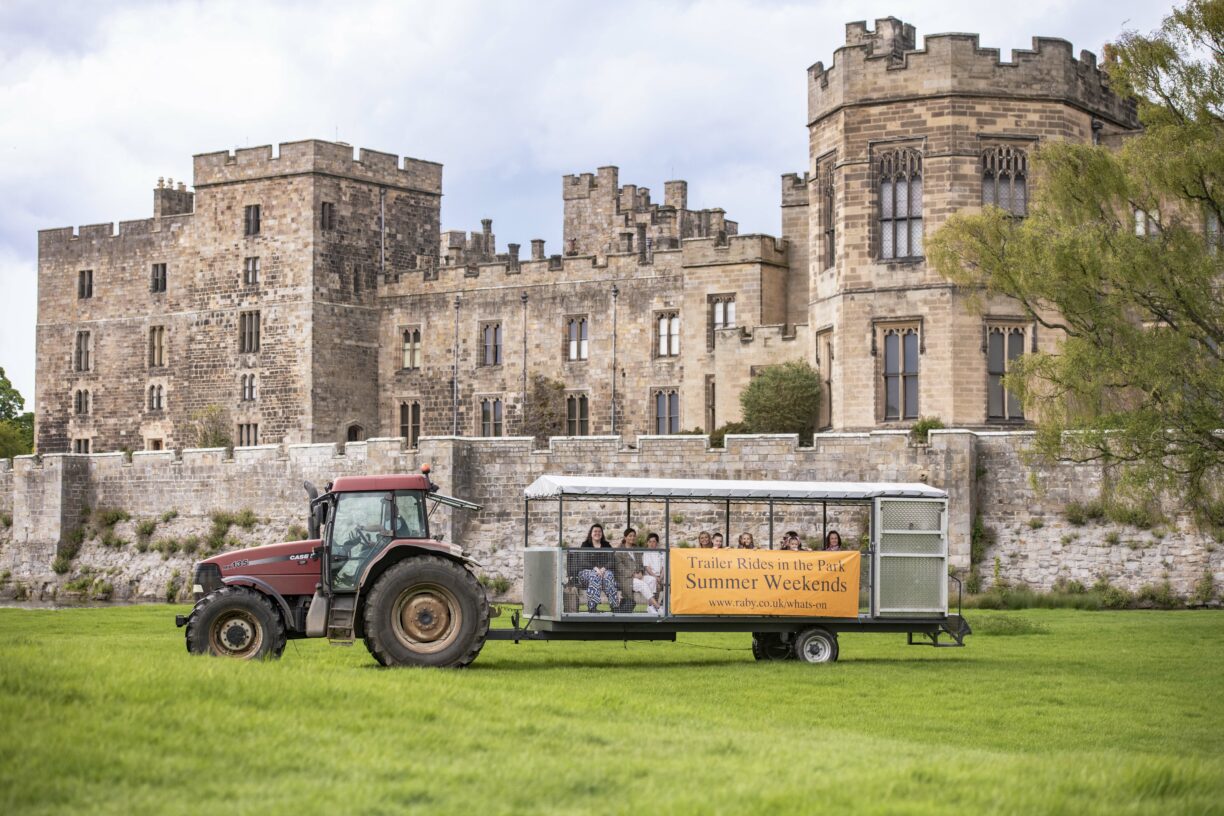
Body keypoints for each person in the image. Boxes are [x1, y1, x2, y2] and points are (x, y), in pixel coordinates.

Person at [577, 523, 621, 612]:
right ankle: (592, 607)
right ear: (591, 533)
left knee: (609, 575)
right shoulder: (585, 545)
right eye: (595, 531)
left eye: (599, 531)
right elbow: (582, 561)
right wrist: (595, 568)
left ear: (602, 533)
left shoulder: (606, 545)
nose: (597, 533)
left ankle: (615, 606)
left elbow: (612, 560)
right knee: (595, 575)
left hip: (603, 574)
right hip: (586, 574)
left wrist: (604, 568)